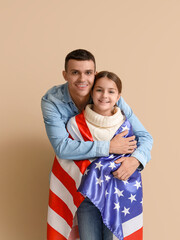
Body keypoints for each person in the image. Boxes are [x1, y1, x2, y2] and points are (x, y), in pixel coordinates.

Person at [42, 49, 152, 240]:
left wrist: (135, 161)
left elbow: (144, 136)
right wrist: (108, 147)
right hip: (81, 181)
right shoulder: (52, 101)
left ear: (95, 74)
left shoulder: (105, 94)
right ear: (65, 74)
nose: (82, 79)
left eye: (88, 72)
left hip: (114, 185)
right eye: (75, 72)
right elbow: (61, 147)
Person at [72, 71, 144, 239]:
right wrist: (109, 148)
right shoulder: (77, 124)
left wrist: (133, 160)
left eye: (111, 91)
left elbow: (144, 143)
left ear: (118, 96)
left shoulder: (126, 124)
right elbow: (67, 156)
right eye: (99, 90)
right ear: (91, 92)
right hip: (87, 195)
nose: (105, 96)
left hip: (118, 194)